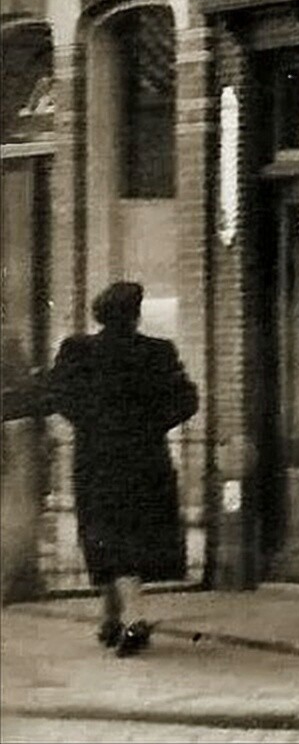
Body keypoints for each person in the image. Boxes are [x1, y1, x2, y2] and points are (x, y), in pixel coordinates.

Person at [42, 280, 198, 658]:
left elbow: (57, 394)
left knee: (104, 535)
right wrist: (150, 426)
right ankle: (111, 617)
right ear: (135, 314)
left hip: (97, 459)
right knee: (130, 535)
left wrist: (91, 422)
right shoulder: (158, 352)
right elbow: (187, 400)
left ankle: (133, 620)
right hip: (145, 459)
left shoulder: (78, 351)